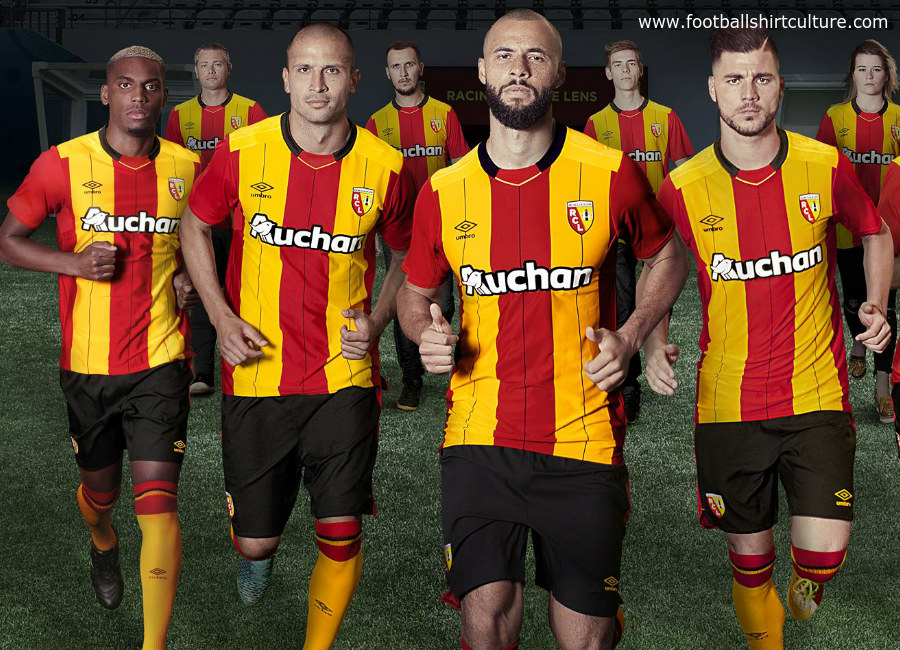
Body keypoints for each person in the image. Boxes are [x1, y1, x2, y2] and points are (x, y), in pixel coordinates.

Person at [397, 10, 687, 650]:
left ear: (559, 73)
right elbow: (415, 293)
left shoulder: (608, 171)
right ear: (482, 71)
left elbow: (667, 254)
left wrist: (633, 334)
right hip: (478, 433)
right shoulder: (444, 190)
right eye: (504, 55)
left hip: (583, 436)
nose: (519, 69)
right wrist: (424, 333)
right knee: (486, 618)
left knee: (586, 637)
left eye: (535, 57)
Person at [650, 29, 893, 650]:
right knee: (750, 558)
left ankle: (806, 585)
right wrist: (653, 339)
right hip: (728, 403)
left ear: (780, 86)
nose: (749, 93)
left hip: (815, 393)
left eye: (761, 78)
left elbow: (875, 231)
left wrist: (875, 302)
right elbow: (660, 262)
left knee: (823, 557)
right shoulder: (684, 184)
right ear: (713, 90)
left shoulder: (823, 164)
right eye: (734, 79)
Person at [179, 24, 414, 650]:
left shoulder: (385, 167)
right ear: (285, 79)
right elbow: (194, 225)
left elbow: (408, 256)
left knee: (340, 534)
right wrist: (221, 318)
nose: (317, 84)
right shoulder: (242, 149)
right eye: (304, 70)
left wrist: (378, 322)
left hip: (344, 375)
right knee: (256, 541)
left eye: (332, 70)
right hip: (257, 373)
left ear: (354, 80)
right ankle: (255, 557)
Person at [0, 46, 200, 650]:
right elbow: (9, 241)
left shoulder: (189, 168)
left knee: (159, 507)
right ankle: (102, 542)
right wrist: (73, 263)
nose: (139, 95)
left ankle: (153, 644)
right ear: (106, 94)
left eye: (151, 86)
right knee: (100, 496)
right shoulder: (61, 163)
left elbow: (207, 243)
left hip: (162, 360)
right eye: (126, 85)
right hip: (88, 367)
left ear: (164, 95)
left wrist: (189, 276)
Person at [583, 40, 693, 424]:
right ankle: (628, 389)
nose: (626, 70)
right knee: (621, 306)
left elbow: (683, 172)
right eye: (618, 64)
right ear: (608, 73)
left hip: (657, 233)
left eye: (632, 63)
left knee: (656, 303)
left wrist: (681, 219)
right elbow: (589, 181)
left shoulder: (666, 117)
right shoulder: (596, 124)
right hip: (615, 232)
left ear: (640, 70)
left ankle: (653, 356)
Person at [366, 40, 470, 411]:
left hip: (443, 228)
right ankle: (411, 380)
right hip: (398, 232)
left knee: (446, 303)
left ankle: (449, 363)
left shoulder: (445, 114)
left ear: (420, 68)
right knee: (403, 303)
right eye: (396, 66)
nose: (404, 72)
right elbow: (371, 181)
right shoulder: (377, 122)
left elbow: (462, 170)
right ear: (388, 73)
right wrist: (372, 230)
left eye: (409, 64)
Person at [166, 42, 267, 396]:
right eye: (204, 65)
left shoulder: (250, 110)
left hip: (240, 224)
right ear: (196, 71)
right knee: (199, 293)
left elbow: (263, 162)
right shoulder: (180, 114)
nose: (210, 70)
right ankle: (202, 373)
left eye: (217, 64)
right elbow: (175, 168)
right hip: (198, 225)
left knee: (242, 294)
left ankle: (248, 367)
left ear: (228, 68)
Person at [816, 39, 900, 423]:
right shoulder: (835, 117)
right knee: (854, 301)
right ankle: (859, 343)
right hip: (849, 230)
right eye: (862, 69)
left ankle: (883, 390)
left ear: (887, 75)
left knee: (885, 305)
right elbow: (822, 173)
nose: (869, 76)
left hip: (890, 231)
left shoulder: (897, 118)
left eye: (876, 69)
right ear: (852, 74)